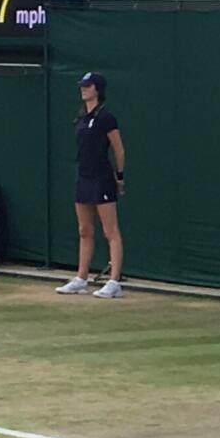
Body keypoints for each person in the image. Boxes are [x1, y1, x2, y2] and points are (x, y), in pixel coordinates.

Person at [57, 71, 125, 297]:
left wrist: (120, 176)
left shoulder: (107, 117)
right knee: (84, 230)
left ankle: (114, 282)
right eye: (82, 86)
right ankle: (81, 278)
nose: (83, 89)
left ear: (97, 89)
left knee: (110, 231)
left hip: (102, 177)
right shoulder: (81, 117)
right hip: (83, 177)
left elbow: (118, 149)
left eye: (87, 86)